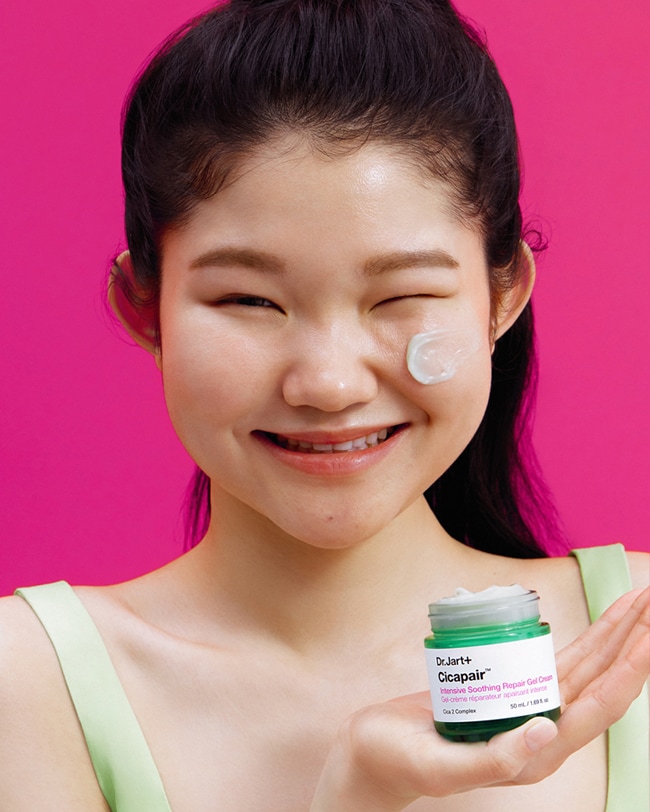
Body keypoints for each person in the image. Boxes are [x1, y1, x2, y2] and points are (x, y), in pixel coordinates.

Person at [0, 1, 647, 810]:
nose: (330, 384)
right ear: (143, 305)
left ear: (503, 295)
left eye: (402, 295)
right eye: (249, 301)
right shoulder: (27, 686)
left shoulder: (637, 642)